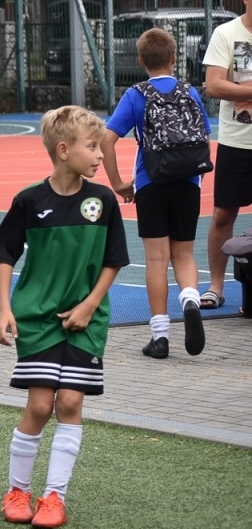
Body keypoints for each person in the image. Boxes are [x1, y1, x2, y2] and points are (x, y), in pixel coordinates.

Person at [0, 106, 128, 529]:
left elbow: (113, 260)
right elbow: (4, 255)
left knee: (69, 403)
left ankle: (54, 497)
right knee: (38, 405)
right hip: (38, 318)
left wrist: (89, 305)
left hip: (89, 320)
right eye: (93, 147)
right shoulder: (30, 201)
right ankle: (17, 491)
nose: (101, 155)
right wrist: (4, 307)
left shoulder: (102, 201)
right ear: (63, 150)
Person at [101, 28, 211, 359]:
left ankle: (160, 337)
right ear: (174, 58)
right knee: (185, 254)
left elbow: (107, 140)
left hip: (151, 182)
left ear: (140, 61)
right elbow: (204, 135)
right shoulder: (190, 92)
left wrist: (119, 183)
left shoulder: (136, 94)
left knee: (156, 259)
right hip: (188, 181)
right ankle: (190, 298)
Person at [201, 0, 252, 311]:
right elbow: (214, 85)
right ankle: (216, 286)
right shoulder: (226, 34)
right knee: (223, 214)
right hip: (237, 142)